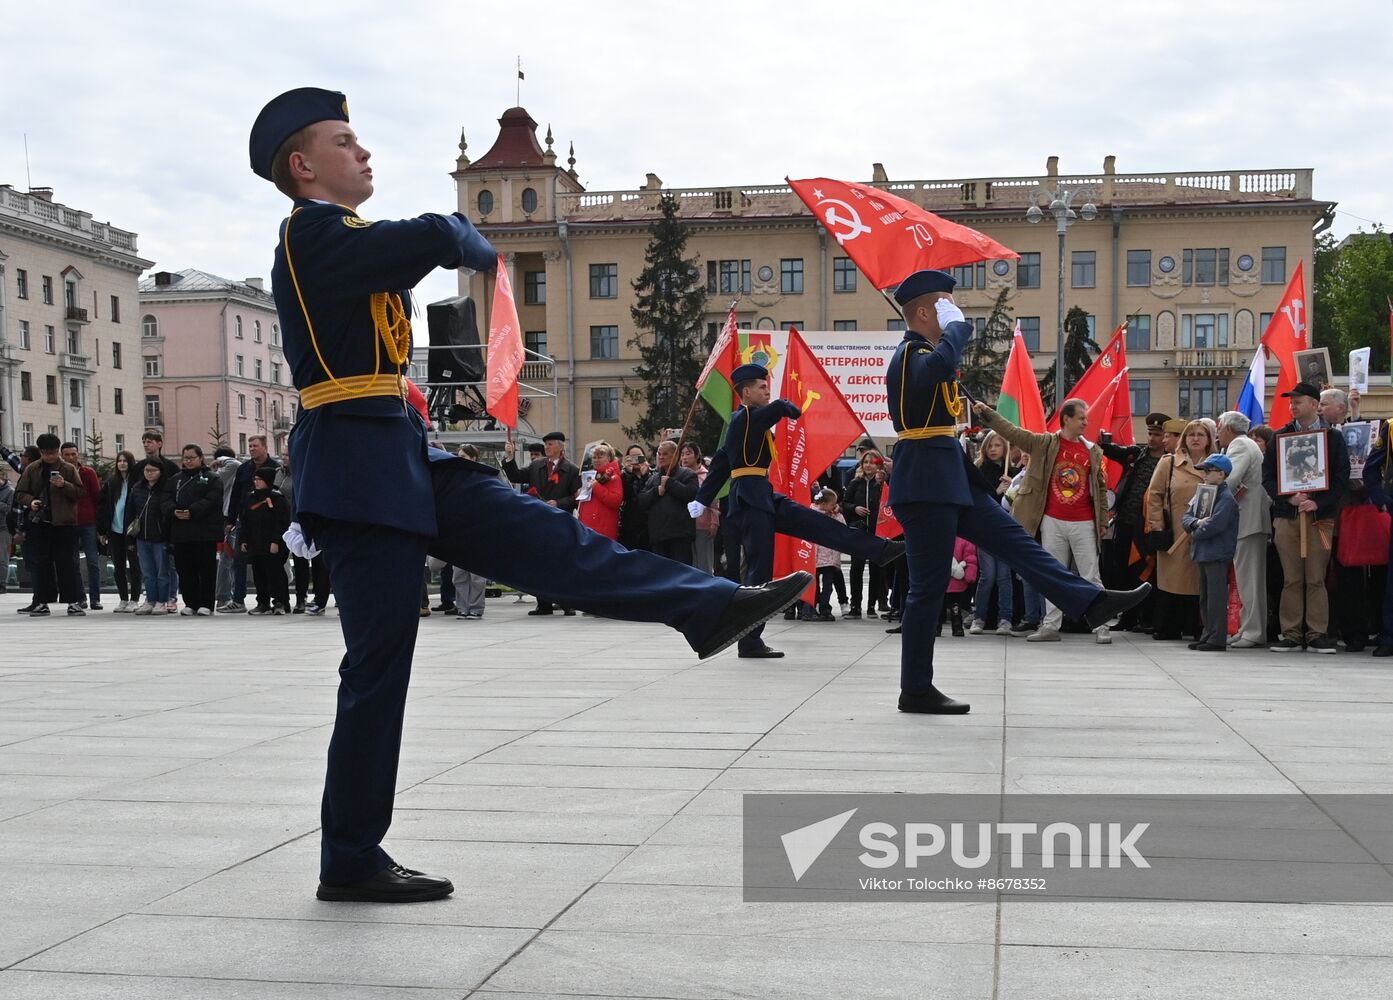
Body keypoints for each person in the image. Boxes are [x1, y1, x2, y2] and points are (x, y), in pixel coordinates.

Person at [248, 87, 809, 904]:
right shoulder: (310, 234)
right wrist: (467, 242)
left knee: (551, 540)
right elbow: (437, 234)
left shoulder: (346, 240)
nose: (363, 152)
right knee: (378, 666)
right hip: (354, 467)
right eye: (344, 142)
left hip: (399, 452)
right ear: (303, 166)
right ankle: (350, 857)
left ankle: (709, 606)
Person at [889, 269, 1147, 714]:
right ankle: (915, 688)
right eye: (947, 307)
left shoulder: (927, 351)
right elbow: (936, 370)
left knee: (1016, 543)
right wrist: (959, 330)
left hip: (952, 477)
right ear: (926, 312)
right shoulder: (910, 352)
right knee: (927, 590)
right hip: (926, 484)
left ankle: (1090, 601)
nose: (956, 315)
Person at [691, 362, 905, 658]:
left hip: (763, 496)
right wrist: (785, 405)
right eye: (762, 387)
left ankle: (880, 550)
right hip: (751, 501)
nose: (768, 391)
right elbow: (778, 411)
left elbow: (720, 465)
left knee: (820, 525)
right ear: (746, 392)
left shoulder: (748, 422)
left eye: (768, 387)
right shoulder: (743, 418)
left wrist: (702, 497)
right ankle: (749, 640)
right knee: (759, 570)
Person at [974, 398, 1111, 644]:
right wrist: (987, 413)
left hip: (1084, 521)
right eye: (1081, 418)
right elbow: (1011, 431)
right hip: (1052, 520)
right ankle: (1050, 626)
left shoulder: (1092, 450)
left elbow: (1100, 488)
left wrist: (1102, 520)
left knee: (1091, 574)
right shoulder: (1044, 443)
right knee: (1052, 574)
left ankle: (1101, 625)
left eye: (1086, 418)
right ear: (1067, 418)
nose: (1086, 423)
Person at [1262, 381, 1350, 652]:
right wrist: (1288, 497)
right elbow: (1267, 477)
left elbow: (1341, 479)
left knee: (1315, 577)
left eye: (1298, 401)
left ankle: (1316, 634)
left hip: (1320, 518)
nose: (1292, 406)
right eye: (1291, 402)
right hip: (1287, 516)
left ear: (1314, 404)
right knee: (1291, 577)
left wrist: (1317, 502)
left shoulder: (1332, 437)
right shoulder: (1280, 436)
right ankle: (1290, 633)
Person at [1099, 412, 1171, 632]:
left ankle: (1145, 618)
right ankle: (1126, 618)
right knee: (1122, 571)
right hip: (1126, 522)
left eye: (1157, 435)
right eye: (1150, 433)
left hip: (1149, 525)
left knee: (1145, 571)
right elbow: (1111, 451)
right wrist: (1104, 439)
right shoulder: (1136, 455)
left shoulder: (1169, 460)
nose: (1152, 439)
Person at [1145, 419, 1215, 641]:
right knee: (1171, 581)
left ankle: (1195, 626)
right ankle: (1168, 626)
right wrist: (1157, 524)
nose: (1195, 438)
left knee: (1198, 581)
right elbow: (1154, 494)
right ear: (1184, 438)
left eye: (1200, 435)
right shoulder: (1169, 462)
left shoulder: (1216, 464)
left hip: (1203, 533)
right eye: (1191, 434)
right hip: (1174, 531)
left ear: (1208, 440)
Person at [502, 430, 581, 615]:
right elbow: (515, 476)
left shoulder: (572, 469)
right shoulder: (536, 465)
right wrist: (509, 457)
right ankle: (543, 603)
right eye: (545, 444)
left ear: (561, 447)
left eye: (551, 444)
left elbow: (577, 497)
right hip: (538, 519)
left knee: (561, 563)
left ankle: (566, 603)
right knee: (539, 562)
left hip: (560, 520)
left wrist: (559, 503)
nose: (547, 447)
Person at [1215, 411, 1271, 648]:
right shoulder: (1247, 443)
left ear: (1227, 428)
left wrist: (1208, 491)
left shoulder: (1239, 444)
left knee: (1250, 578)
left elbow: (1229, 479)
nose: (1217, 433)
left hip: (1248, 519)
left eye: (1219, 428)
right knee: (1248, 576)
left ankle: (1253, 631)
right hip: (1249, 520)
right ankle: (1248, 627)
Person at [14, 433, 85, 617]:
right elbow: (20, 492)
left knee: (67, 563)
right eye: (46, 453)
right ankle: (42, 602)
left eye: (53, 452)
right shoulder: (32, 469)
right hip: (39, 523)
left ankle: (73, 602)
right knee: (40, 564)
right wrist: (31, 501)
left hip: (63, 523)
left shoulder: (68, 469)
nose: (50, 457)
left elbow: (79, 492)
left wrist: (64, 485)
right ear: (41, 452)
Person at [1181, 455, 1241, 652]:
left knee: (1216, 597)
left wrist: (1195, 531)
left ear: (1222, 474)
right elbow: (1187, 517)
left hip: (1217, 552)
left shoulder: (1226, 498)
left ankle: (1217, 638)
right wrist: (1197, 523)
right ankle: (1208, 633)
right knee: (1206, 597)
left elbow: (1215, 525)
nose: (1204, 475)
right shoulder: (1204, 494)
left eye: (1208, 471)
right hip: (1205, 551)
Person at [966, 432, 1016, 635]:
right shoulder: (979, 471)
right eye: (990, 445)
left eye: (998, 445)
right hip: (985, 530)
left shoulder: (1011, 473)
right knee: (988, 575)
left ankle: (1005, 618)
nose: (994, 449)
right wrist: (996, 492)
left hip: (1005, 532)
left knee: (1004, 577)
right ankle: (979, 617)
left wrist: (1012, 488)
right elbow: (978, 502)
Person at [224, 434, 280, 613]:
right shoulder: (244, 469)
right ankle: (238, 599)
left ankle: (276, 599)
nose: (252, 449)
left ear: (265, 447)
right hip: (245, 521)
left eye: (255, 446)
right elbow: (235, 495)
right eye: (250, 446)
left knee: (268, 562)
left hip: (268, 522)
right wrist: (231, 519)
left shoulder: (275, 468)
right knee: (239, 560)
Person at [170, 444, 225, 616]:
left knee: (206, 569)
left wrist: (192, 511)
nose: (188, 461)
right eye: (185, 458)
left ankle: (206, 603)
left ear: (200, 458)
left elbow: (212, 500)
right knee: (185, 569)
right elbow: (165, 498)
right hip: (181, 532)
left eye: (191, 458)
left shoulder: (212, 478)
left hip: (204, 532)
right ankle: (190, 602)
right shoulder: (176, 479)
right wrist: (173, 511)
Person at [843, 449, 891, 620]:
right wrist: (854, 508)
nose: (868, 465)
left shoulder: (882, 483)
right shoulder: (855, 483)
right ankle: (855, 605)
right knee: (856, 568)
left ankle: (872, 605)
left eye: (872, 462)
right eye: (865, 462)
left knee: (877, 568)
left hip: (878, 531)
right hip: (859, 530)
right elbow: (845, 503)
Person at [239, 466, 292, 615]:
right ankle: (263, 602)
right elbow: (245, 520)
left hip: (272, 544)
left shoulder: (277, 498)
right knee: (259, 573)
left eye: (260, 480)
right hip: (256, 543)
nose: (256, 482)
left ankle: (281, 602)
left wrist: (276, 541)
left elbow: (281, 522)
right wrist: (243, 540)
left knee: (275, 573)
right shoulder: (250, 498)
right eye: (255, 479)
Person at [60, 442, 104, 610]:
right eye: (67, 454)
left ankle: (95, 598)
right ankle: (80, 597)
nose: (71, 457)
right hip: (69, 522)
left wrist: (99, 523)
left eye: (73, 454)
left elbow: (97, 497)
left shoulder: (88, 472)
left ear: (78, 455)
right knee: (73, 563)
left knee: (93, 561)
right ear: (61, 456)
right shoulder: (60, 474)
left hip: (88, 522)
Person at [640, 440, 698, 565]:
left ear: (676, 455)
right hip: (658, 535)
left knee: (681, 575)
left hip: (680, 535)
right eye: (659, 454)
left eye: (665, 454)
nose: (661, 457)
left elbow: (691, 495)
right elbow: (642, 500)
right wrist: (656, 491)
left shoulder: (688, 475)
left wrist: (671, 483)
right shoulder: (653, 478)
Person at [129, 460, 174, 616]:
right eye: (147, 470)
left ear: (160, 471)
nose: (149, 473)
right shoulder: (137, 488)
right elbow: (130, 512)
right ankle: (150, 600)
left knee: (162, 572)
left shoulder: (166, 489)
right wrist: (130, 537)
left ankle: (162, 601)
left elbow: (168, 515)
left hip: (160, 536)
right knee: (147, 572)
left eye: (153, 470)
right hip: (142, 536)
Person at [98, 451, 142, 612]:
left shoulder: (137, 482)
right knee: (118, 566)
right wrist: (102, 530)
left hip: (131, 530)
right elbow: (102, 506)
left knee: (135, 565)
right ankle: (123, 598)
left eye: (125, 461)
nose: (122, 463)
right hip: (115, 529)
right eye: (119, 461)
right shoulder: (111, 483)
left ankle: (135, 599)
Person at [681, 442, 719, 573]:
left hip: (703, 525)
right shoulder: (680, 476)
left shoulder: (706, 476)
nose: (684, 457)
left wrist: (714, 522)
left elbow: (714, 501)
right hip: (684, 526)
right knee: (690, 565)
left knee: (704, 563)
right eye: (682, 454)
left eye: (688, 453)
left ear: (697, 456)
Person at [812, 487, 850, 620]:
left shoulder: (836, 515)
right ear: (822, 504)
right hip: (816, 557)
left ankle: (824, 607)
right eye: (832, 504)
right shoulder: (812, 513)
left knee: (828, 586)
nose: (835, 506)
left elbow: (844, 529)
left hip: (830, 557)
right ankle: (817, 606)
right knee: (815, 586)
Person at [577, 442, 623, 542]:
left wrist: (596, 487)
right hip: (589, 528)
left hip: (602, 529)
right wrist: (580, 495)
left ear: (609, 458)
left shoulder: (613, 477)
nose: (596, 460)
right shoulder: (592, 475)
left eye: (600, 457)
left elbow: (615, 501)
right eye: (594, 457)